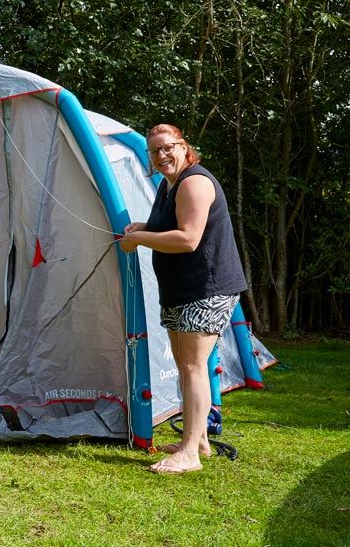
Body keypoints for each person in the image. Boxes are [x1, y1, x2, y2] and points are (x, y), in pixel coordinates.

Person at [119, 124, 247, 474]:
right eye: (154, 151)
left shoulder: (194, 182)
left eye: (168, 148)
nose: (161, 156)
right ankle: (200, 440)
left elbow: (189, 238)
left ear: (183, 147)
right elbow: (171, 224)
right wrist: (144, 225)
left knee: (192, 366)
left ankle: (189, 453)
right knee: (187, 364)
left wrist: (141, 239)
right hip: (182, 288)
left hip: (207, 287)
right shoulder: (169, 185)